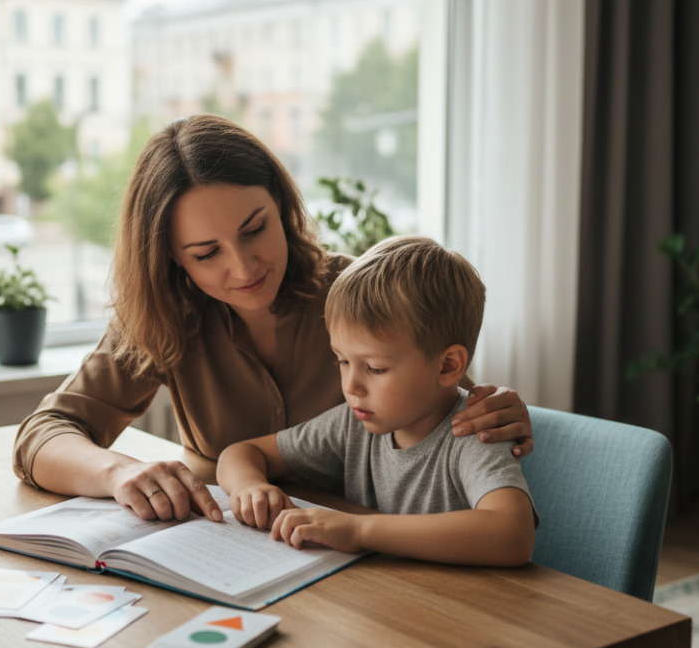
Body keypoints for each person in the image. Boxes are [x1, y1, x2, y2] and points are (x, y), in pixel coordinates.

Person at [12, 114, 535, 523]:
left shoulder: (357, 297)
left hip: (354, 558)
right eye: (205, 253)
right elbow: (42, 436)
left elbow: (446, 411)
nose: (244, 268)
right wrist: (119, 472)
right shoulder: (162, 316)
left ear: (281, 207)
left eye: (255, 229)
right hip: (227, 550)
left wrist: (495, 415)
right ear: (170, 257)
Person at [216, 235, 537, 566]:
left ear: (448, 365)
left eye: (375, 368)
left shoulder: (474, 433)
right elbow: (240, 453)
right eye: (342, 361)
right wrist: (249, 486)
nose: (351, 385)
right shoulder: (354, 422)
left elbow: (513, 535)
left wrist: (358, 530)